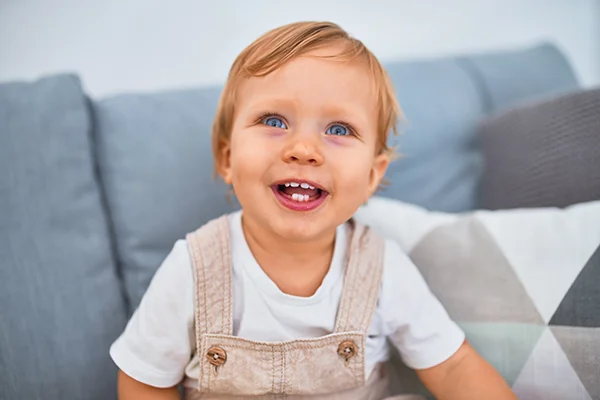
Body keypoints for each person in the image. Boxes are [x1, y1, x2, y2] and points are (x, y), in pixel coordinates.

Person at [110, 21, 517, 400]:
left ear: (372, 176)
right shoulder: (195, 268)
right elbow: (143, 378)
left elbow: (453, 367)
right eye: (274, 120)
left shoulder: (380, 269)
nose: (303, 149)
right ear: (227, 158)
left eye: (338, 130)